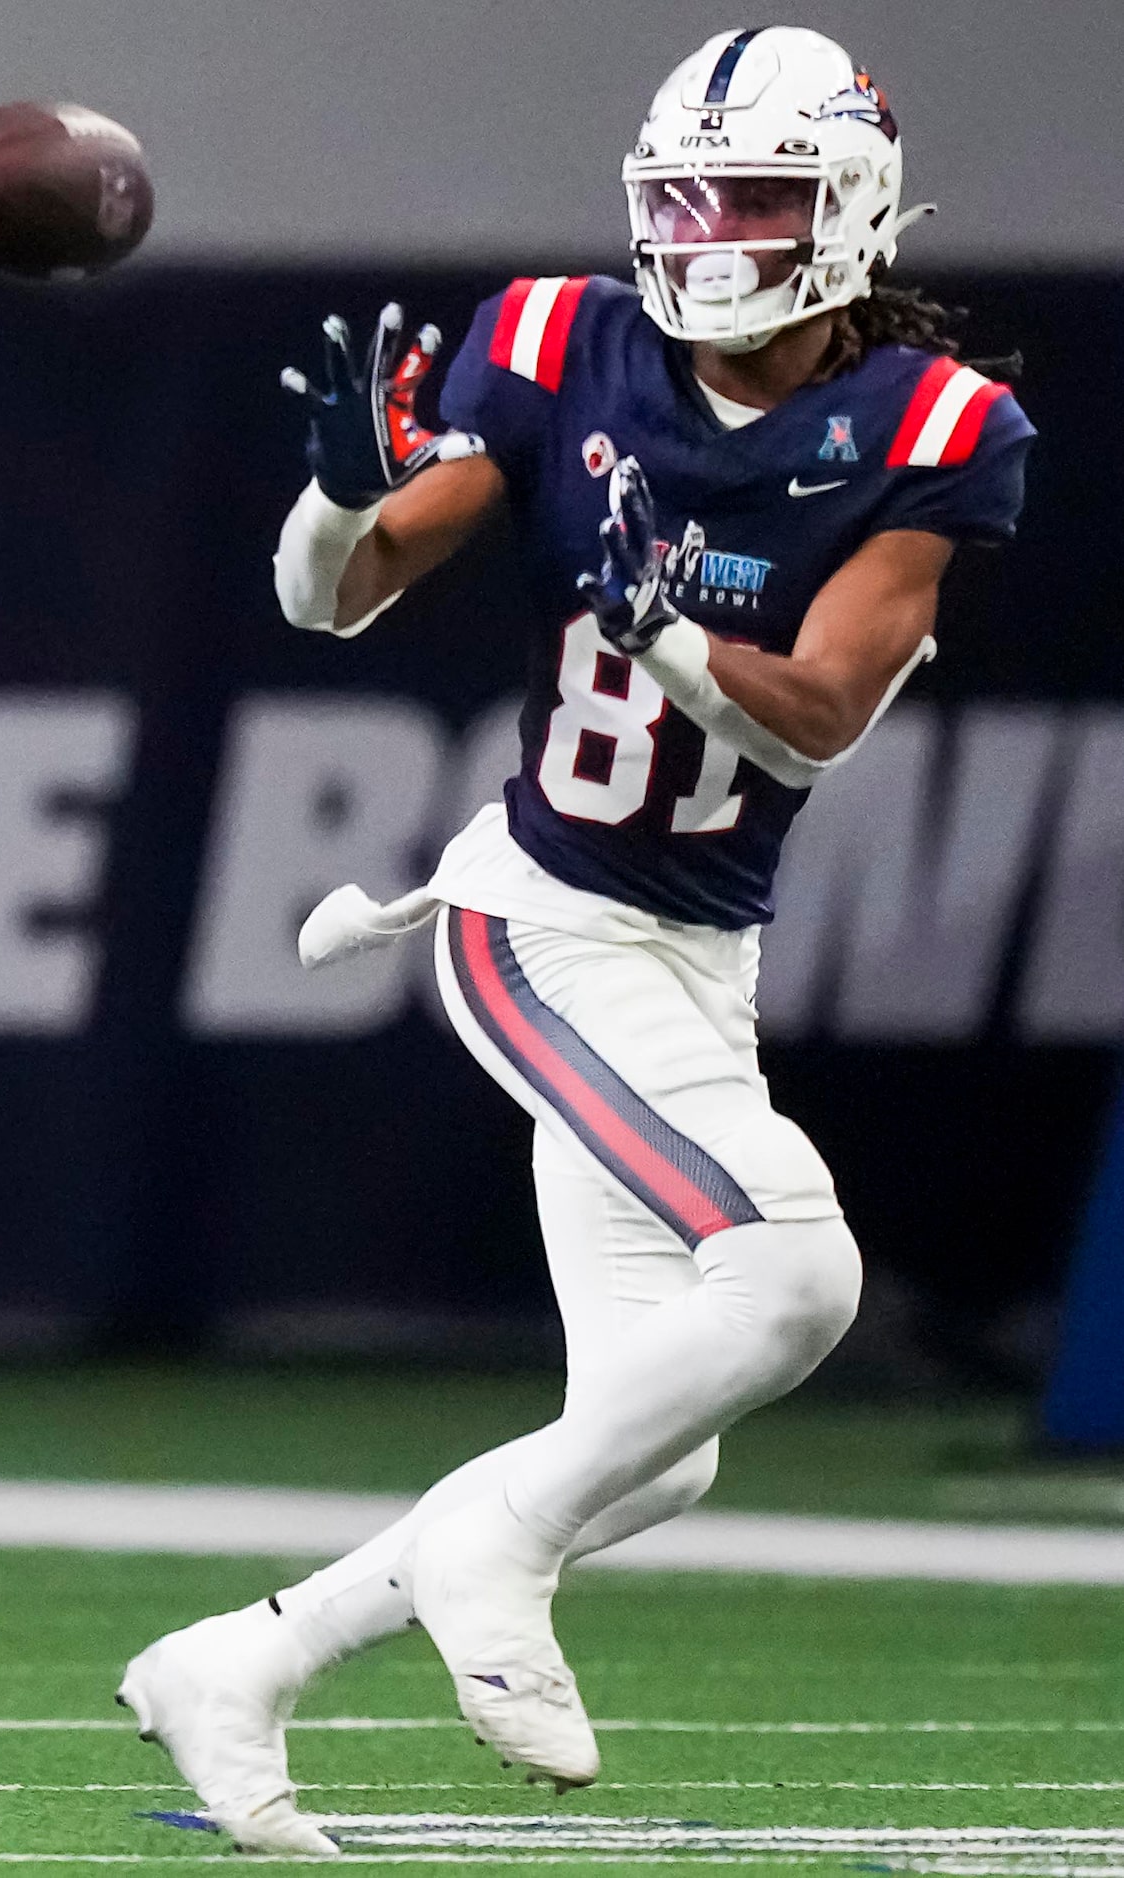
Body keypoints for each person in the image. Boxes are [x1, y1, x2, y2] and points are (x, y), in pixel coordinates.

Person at [117, 27, 1032, 1857]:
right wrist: (331, 491)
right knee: (790, 1279)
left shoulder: (933, 429)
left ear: (844, 212)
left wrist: (661, 618)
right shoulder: (556, 342)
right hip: (537, 924)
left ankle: (240, 1659)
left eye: (751, 199)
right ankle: (491, 1546)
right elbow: (335, 601)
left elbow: (821, 716)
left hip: (698, 953)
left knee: (659, 1438)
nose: (704, 236)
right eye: (680, 196)